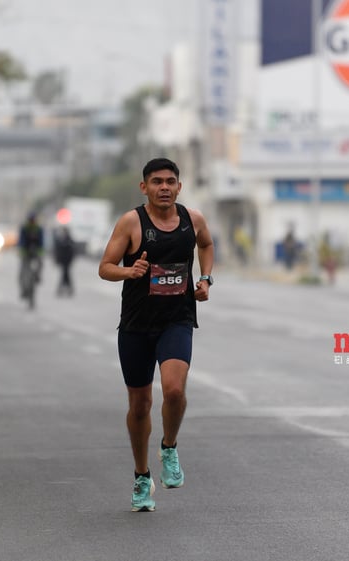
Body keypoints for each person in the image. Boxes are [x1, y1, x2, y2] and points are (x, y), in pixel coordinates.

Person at [98, 157, 214, 512]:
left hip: (177, 319)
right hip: (135, 325)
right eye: (156, 181)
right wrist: (129, 272)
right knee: (140, 405)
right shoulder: (132, 222)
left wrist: (206, 279)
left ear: (179, 186)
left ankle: (169, 446)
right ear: (144, 187)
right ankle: (141, 475)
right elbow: (104, 268)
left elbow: (206, 245)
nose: (164, 187)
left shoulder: (193, 219)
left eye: (170, 181)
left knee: (175, 390)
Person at [17, 212, 44, 298]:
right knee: (23, 272)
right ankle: (24, 290)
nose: (32, 221)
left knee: (40, 263)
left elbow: (41, 242)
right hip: (26, 252)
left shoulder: (39, 229)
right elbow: (21, 241)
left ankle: (37, 276)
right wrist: (22, 251)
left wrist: (40, 252)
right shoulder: (24, 228)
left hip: (36, 252)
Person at [53, 226, 76, 297]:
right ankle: (65, 289)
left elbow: (73, 251)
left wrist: (71, 260)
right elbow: (57, 251)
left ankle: (65, 289)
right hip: (63, 261)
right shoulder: (60, 240)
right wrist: (57, 259)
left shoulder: (69, 240)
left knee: (66, 275)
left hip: (67, 261)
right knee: (65, 275)